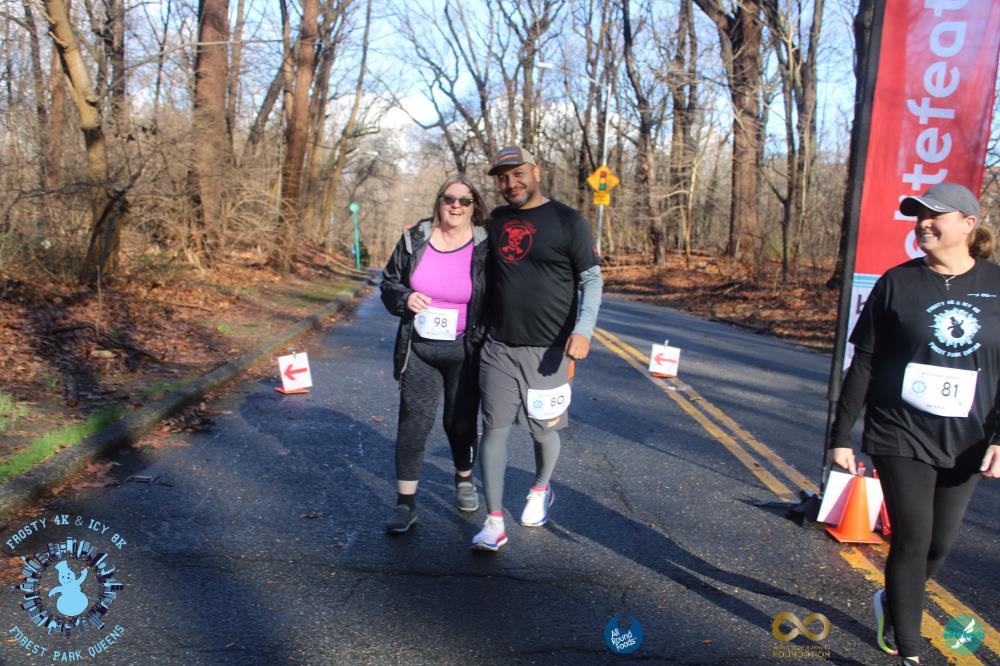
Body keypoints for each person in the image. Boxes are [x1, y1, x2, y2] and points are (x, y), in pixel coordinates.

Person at [828, 182, 1000, 664]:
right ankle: (909, 650)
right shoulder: (897, 283)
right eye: (918, 214)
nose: (923, 223)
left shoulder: (997, 285)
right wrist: (841, 435)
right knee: (912, 537)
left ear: (968, 224)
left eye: (934, 215)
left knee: (938, 545)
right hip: (899, 430)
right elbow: (864, 361)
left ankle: (893, 599)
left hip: (967, 438)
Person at [471, 146, 603, 551]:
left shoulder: (568, 221)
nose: (511, 183)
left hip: (549, 351)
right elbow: (460, 242)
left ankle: (541, 488)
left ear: (537, 173)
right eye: (503, 177)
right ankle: (494, 521)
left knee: (543, 431)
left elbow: (591, 279)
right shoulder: (496, 221)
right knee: (492, 430)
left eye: (518, 174)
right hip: (498, 345)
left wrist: (583, 330)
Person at [380, 175, 490, 533]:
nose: (456, 205)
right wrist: (404, 298)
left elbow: (502, 292)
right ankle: (405, 503)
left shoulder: (485, 245)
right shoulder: (415, 239)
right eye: (449, 198)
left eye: (465, 200)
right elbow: (389, 283)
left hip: (464, 349)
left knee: (459, 423)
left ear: (474, 207)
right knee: (414, 422)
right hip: (420, 347)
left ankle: (464, 477)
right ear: (439, 202)